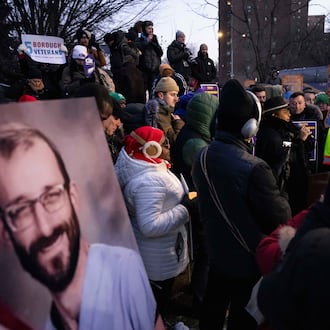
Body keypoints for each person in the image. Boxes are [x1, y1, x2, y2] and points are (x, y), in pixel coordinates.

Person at [0, 123, 157, 329]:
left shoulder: (124, 274)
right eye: (20, 211)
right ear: (4, 234)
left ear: (73, 197)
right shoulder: (45, 324)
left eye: (52, 196)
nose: (45, 228)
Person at [191, 79, 291, 330]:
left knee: (212, 312)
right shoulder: (255, 168)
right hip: (248, 261)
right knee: (242, 318)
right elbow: (281, 215)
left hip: (218, 253)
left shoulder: (202, 155)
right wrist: (276, 170)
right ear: (250, 127)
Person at [114, 126, 193, 319]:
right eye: (164, 143)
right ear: (149, 149)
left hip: (158, 253)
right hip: (156, 258)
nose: (168, 146)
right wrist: (186, 208)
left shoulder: (150, 168)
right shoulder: (149, 181)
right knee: (155, 305)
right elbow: (149, 226)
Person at [171, 92, 219, 314]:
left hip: (194, 196)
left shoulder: (194, 134)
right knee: (207, 251)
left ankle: (197, 293)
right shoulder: (195, 142)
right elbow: (208, 173)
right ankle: (200, 299)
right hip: (197, 199)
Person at [255, 96, 313, 215]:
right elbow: (286, 159)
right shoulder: (272, 135)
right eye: (285, 112)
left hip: (291, 188)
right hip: (284, 190)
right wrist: (300, 141)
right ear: (275, 115)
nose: (289, 114)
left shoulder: (285, 129)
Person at [104, 30, 145, 103]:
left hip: (125, 70)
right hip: (120, 70)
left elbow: (134, 54)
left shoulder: (122, 45)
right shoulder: (116, 46)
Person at [144, 77, 185, 149]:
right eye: (172, 95)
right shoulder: (159, 115)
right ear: (161, 95)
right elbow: (175, 141)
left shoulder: (165, 111)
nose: (176, 99)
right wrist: (179, 123)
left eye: (177, 95)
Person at [135, 21, 163, 99]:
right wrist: (147, 40)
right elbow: (139, 48)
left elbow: (160, 53)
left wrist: (155, 44)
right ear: (144, 29)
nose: (151, 30)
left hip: (154, 70)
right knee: (143, 90)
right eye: (148, 28)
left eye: (151, 28)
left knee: (153, 91)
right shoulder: (139, 39)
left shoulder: (154, 39)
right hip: (144, 70)